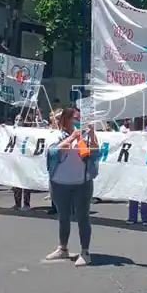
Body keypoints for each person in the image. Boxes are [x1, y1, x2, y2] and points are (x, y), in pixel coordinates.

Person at [44, 107, 100, 267]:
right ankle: (63, 248)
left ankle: (85, 251)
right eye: (74, 118)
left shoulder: (84, 136)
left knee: (83, 217)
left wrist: (92, 136)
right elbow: (54, 152)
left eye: (79, 118)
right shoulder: (55, 135)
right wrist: (72, 138)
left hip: (82, 183)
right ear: (65, 120)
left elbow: (95, 153)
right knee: (63, 217)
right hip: (59, 183)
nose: (77, 121)